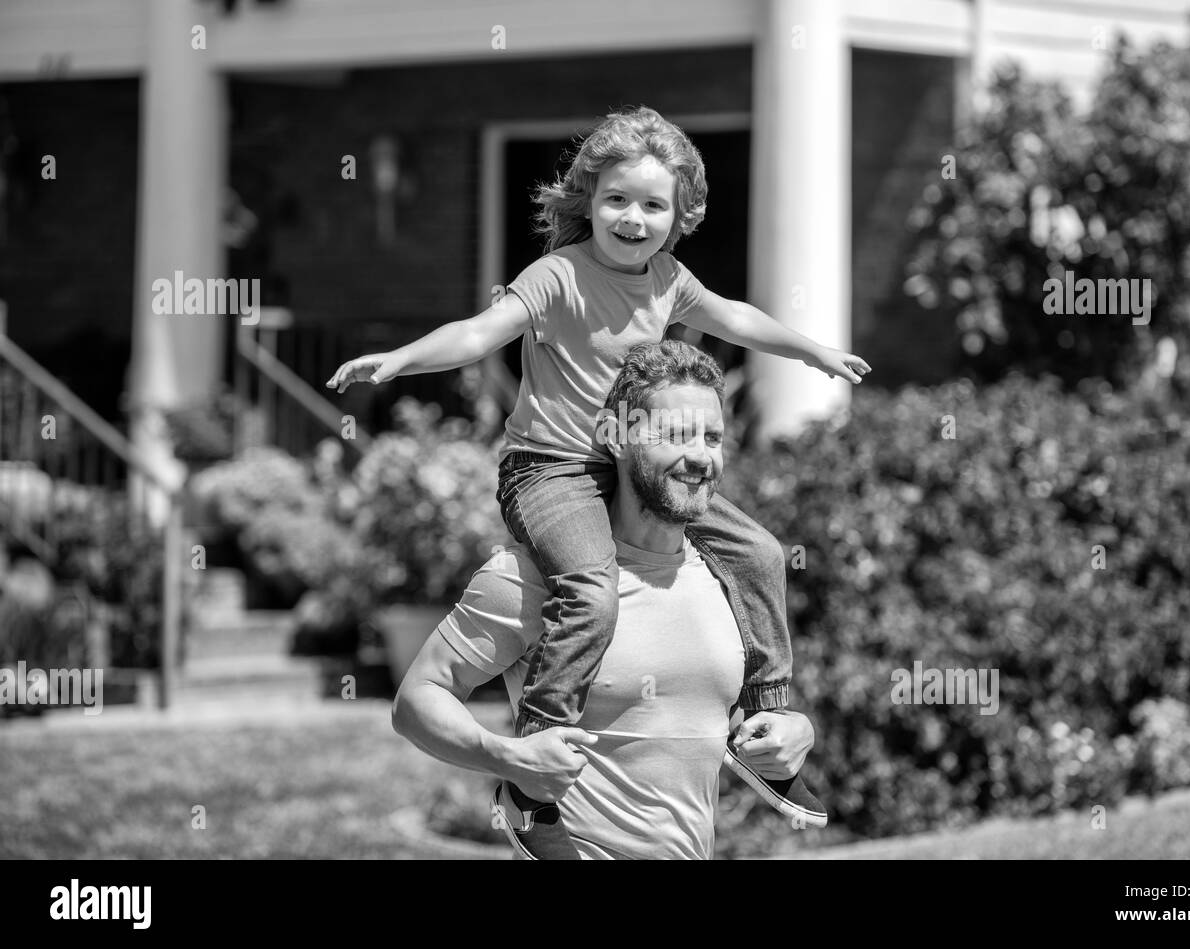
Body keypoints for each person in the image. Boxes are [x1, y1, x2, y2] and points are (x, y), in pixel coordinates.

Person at [329, 106, 868, 858]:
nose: (633, 217)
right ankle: (535, 762)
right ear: (589, 201)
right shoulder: (558, 276)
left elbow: (738, 318)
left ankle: (763, 725)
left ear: (681, 216)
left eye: (654, 205)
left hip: (631, 460)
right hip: (550, 466)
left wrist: (813, 352)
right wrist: (400, 358)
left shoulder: (669, 281)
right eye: (618, 199)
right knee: (589, 583)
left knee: (763, 553)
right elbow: (480, 334)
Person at [392, 341, 819, 859]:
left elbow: (692, 719)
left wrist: (791, 732)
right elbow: (417, 700)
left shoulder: (728, 580)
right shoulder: (537, 578)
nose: (700, 456)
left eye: (712, 437)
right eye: (675, 434)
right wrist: (508, 757)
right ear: (617, 439)